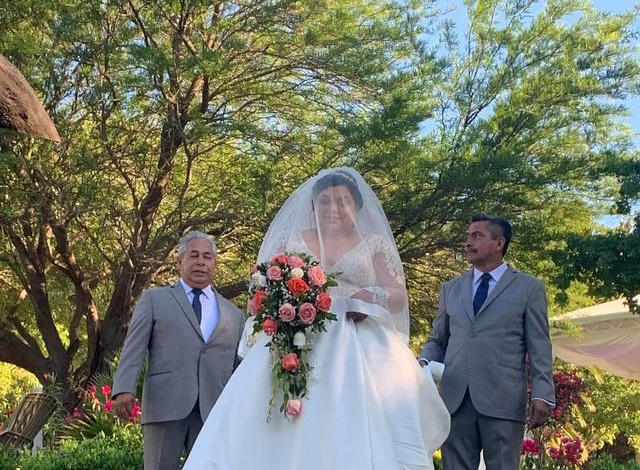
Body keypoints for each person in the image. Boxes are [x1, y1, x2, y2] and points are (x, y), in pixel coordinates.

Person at [183, 168, 450, 470]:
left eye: (342, 201)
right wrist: (286, 303)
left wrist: (365, 295)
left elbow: (397, 294)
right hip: (294, 339)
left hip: (360, 341)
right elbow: (261, 291)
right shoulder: (290, 239)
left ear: (357, 207)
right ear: (313, 206)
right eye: (324, 201)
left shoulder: (374, 243)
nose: (333, 208)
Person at [419, 214, 555, 470]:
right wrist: (424, 359)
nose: (468, 242)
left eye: (477, 236)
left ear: (499, 243)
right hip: (455, 399)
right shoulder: (451, 289)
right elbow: (439, 339)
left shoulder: (528, 288)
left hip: (503, 399)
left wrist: (542, 394)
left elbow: (539, 345)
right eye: (468, 236)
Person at [112, 231, 244, 470]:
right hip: (165, 406)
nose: (201, 262)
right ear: (180, 261)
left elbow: (237, 366)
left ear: (214, 263)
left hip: (211, 411)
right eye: (194, 255)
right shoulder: (154, 299)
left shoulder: (233, 313)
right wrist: (123, 388)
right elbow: (134, 346)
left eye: (207, 257)